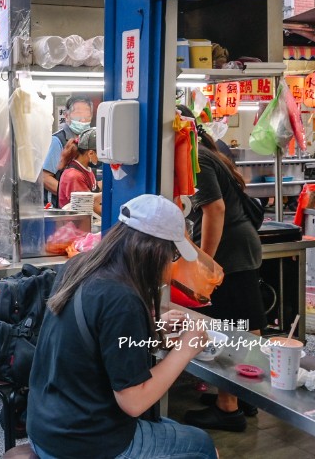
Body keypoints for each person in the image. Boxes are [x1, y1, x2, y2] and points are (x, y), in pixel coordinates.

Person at [27, 194, 217, 459]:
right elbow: (134, 402)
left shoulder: (77, 267)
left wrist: (154, 327)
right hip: (82, 442)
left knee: (173, 428)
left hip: (46, 426)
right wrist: (185, 349)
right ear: (153, 251)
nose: (171, 264)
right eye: (172, 254)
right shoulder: (122, 298)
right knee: (201, 445)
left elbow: (93, 340)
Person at [178, 105, 265, 432]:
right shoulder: (203, 153)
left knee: (235, 329)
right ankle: (244, 397)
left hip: (230, 253)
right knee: (242, 326)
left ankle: (228, 409)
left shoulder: (196, 159)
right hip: (238, 248)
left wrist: (205, 262)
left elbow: (215, 209)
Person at [41, 96, 94, 206]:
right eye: (78, 114)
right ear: (66, 116)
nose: (83, 119)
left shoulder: (90, 142)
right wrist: (69, 195)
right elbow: (45, 178)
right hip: (58, 208)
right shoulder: (57, 141)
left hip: (80, 207)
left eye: (87, 114)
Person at [57, 128, 101, 214]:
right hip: (72, 225)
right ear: (91, 153)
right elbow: (87, 206)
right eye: (101, 154)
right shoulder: (73, 176)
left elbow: (94, 189)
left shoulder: (87, 169)